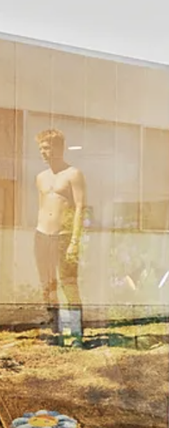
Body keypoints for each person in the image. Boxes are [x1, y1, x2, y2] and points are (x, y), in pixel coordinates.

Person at [34, 127, 85, 347]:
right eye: (40, 148)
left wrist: (75, 240)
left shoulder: (73, 174)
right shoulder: (40, 177)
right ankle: (55, 331)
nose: (42, 152)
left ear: (57, 148)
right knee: (48, 284)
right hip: (42, 235)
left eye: (46, 148)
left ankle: (75, 334)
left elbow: (81, 208)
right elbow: (42, 207)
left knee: (69, 284)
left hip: (64, 237)